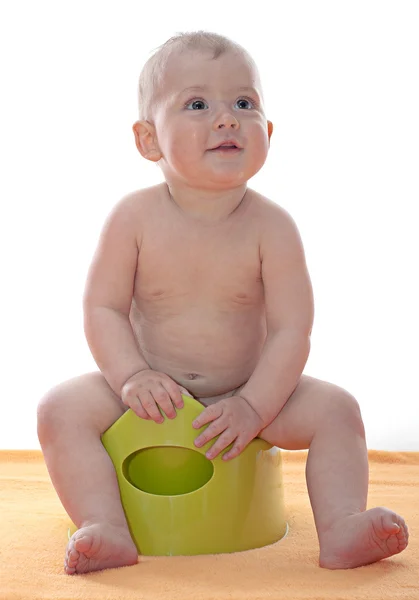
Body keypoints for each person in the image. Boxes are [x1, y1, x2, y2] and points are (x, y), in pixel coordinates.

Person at [37, 30, 409, 576]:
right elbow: (103, 309)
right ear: (148, 140)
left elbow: (291, 331)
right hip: (148, 391)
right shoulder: (133, 219)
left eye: (244, 103)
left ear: (268, 132)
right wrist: (132, 376)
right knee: (59, 409)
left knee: (337, 410)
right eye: (197, 104)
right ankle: (106, 525)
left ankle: (341, 525)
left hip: (249, 394)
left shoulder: (272, 227)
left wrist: (255, 405)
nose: (227, 118)